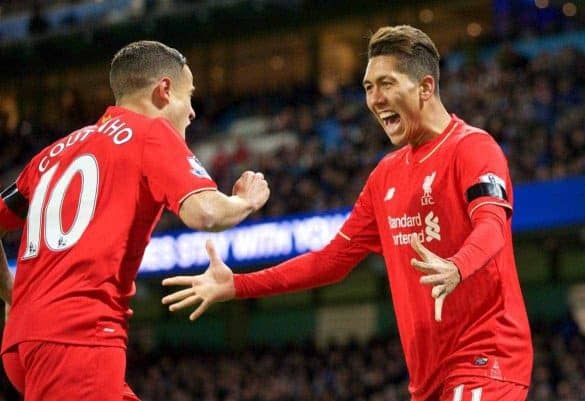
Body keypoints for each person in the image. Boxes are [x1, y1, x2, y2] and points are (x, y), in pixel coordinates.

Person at [162, 25, 533, 401]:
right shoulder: (385, 174)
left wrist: (457, 266)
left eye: (386, 84)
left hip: (487, 358)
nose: (374, 99)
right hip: (429, 377)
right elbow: (330, 261)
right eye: (368, 87)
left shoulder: (472, 148)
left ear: (425, 87)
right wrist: (238, 285)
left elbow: (492, 226)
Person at [0, 41, 269, 401]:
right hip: (79, 339)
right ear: (165, 90)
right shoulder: (150, 134)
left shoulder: (52, 153)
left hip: (25, 344)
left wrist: (12, 294)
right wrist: (245, 201)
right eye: (189, 96)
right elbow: (205, 211)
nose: (191, 112)